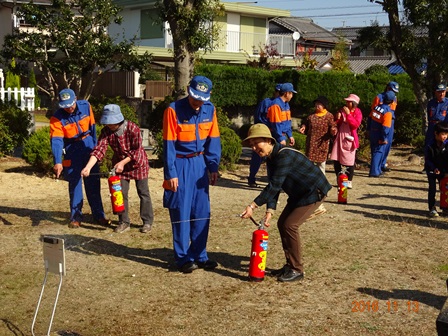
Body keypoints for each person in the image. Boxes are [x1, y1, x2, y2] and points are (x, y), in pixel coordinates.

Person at [240, 123, 332, 282]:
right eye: (252, 145)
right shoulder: (271, 158)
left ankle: (297, 270)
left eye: (257, 143)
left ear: (268, 141)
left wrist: (252, 206)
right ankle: (290, 265)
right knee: (282, 223)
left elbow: (274, 185)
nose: (254, 147)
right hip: (299, 194)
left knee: (290, 225)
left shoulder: (284, 156)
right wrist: (270, 211)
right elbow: (275, 186)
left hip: (313, 192)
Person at [162, 75, 221, 274]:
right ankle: (183, 257)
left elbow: (213, 140)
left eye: (201, 98)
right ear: (189, 90)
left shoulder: (210, 110)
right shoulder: (173, 110)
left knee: (202, 212)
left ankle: (200, 255)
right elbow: (168, 144)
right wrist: (171, 173)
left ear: (209, 95)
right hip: (180, 163)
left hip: (200, 164)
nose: (197, 102)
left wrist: (213, 167)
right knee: (181, 211)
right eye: (194, 97)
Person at [81, 104, 154, 233]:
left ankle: (147, 222)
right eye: (106, 122)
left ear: (118, 120)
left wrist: (123, 162)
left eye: (111, 122)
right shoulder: (106, 132)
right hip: (120, 167)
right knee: (119, 193)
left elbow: (137, 150)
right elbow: (99, 150)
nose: (108, 125)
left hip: (138, 164)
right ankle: (124, 222)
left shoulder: (133, 128)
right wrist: (88, 167)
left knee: (143, 193)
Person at [50, 88, 109, 228]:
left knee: (93, 182)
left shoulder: (86, 106)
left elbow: (93, 128)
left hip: (88, 144)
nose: (69, 108)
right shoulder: (56, 118)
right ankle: (75, 217)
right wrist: (58, 161)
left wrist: (96, 150)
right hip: (72, 149)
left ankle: (99, 215)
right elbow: (57, 141)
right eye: (65, 106)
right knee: (75, 183)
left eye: (71, 104)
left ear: (75, 99)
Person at [248, 83, 282, 187]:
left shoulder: (283, 104)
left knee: (274, 158)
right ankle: (251, 178)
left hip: (275, 135)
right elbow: (258, 117)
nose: (279, 94)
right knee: (257, 156)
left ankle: (273, 182)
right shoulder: (266, 102)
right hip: (263, 134)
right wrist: (266, 127)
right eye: (278, 92)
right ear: (275, 92)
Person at [329, 94, 363, 189]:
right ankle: (339, 178)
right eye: (347, 101)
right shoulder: (341, 110)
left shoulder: (358, 112)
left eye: (349, 101)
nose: (347, 103)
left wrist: (348, 114)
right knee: (336, 158)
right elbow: (336, 123)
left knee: (349, 160)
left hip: (350, 138)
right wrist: (337, 119)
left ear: (354, 103)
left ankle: (348, 181)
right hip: (340, 136)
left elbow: (355, 125)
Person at [299, 95, 337, 174]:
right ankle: (310, 181)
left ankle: (321, 182)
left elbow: (333, 126)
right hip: (311, 143)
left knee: (321, 164)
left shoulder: (329, 116)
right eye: (316, 104)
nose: (317, 106)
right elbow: (306, 123)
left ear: (324, 105)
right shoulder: (311, 115)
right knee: (309, 164)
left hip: (322, 143)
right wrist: (303, 127)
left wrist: (333, 130)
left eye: (319, 104)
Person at [369, 81, 399, 173]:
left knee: (387, 144)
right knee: (380, 144)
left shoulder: (394, 98)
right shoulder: (379, 97)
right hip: (380, 122)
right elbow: (373, 112)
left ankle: (382, 164)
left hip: (390, 121)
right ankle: (376, 167)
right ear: (388, 88)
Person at [425, 121, 448, 217]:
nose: (445, 136)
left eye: (446, 134)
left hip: (444, 170)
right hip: (432, 171)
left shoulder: (447, 145)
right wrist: (434, 168)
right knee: (432, 189)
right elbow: (428, 160)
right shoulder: (430, 145)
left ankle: (445, 208)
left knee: (445, 189)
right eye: (443, 134)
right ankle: (432, 207)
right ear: (436, 133)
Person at [266, 83, 296, 148]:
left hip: (282, 136)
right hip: (275, 137)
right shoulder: (275, 105)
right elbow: (275, 124)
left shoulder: (286, 105)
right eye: (291, 93)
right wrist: (280, 138)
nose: (292, 96)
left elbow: (287, 122)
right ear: (286, 93)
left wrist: (290, 135)